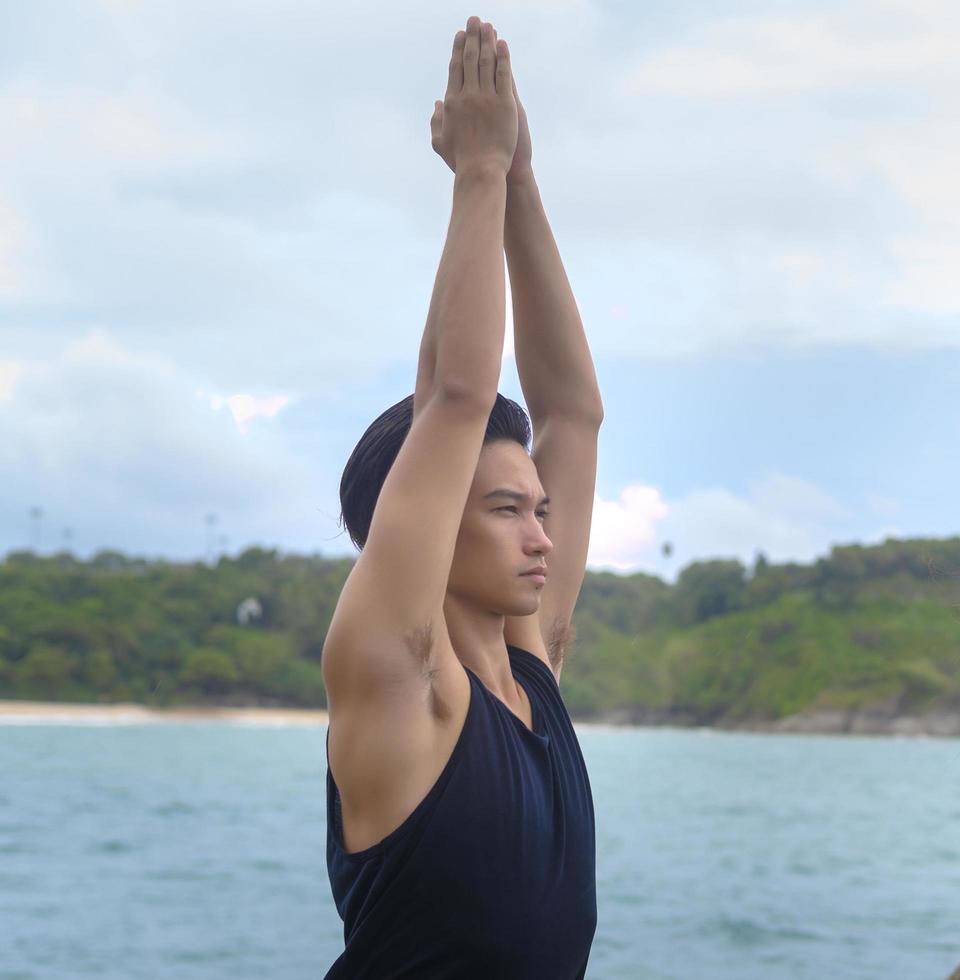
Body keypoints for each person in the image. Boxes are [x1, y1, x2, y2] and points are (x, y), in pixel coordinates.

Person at [320, 16, 603, 978]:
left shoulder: (534, 669)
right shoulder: (402, 679)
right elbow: (456, 396)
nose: (542, 537)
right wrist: (478, 177)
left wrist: (523, 178)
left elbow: (571, 411)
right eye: (504, 510)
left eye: (540, 510)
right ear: (429, 521)